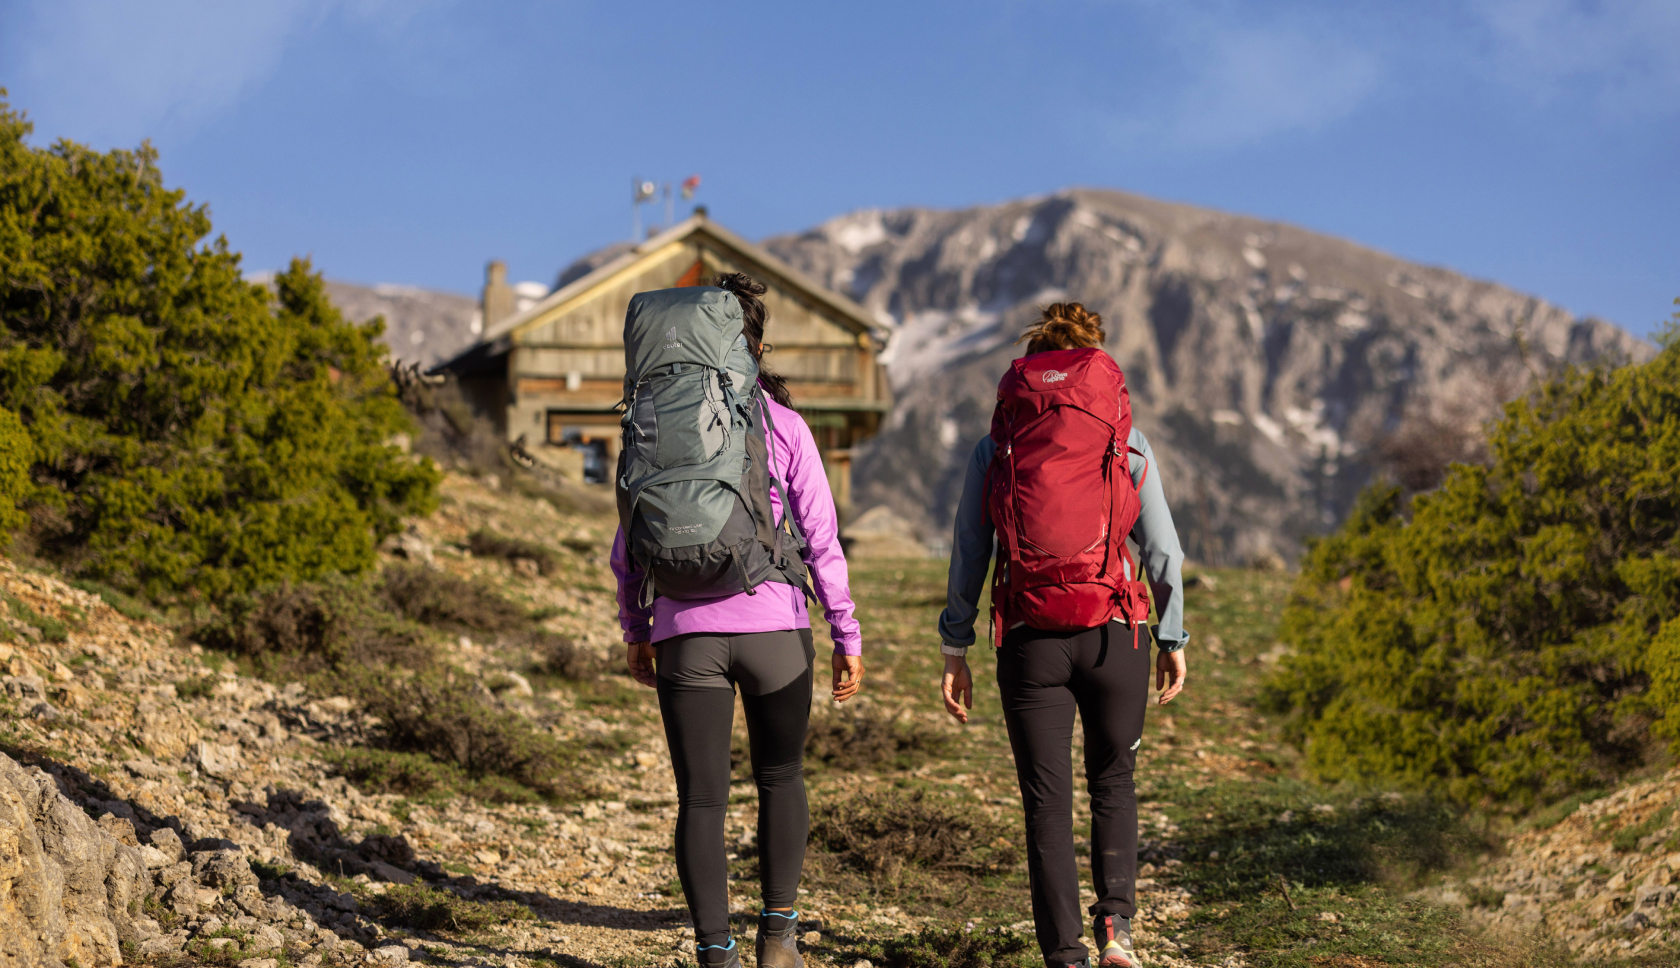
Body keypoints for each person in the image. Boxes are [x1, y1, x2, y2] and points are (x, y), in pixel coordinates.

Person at [612, 272, 864, 968]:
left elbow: (626, 541)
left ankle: (715, 953)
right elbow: (821, 539)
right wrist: (847, 635)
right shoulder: (783, 424)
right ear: (753, 346)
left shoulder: (652, 419)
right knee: (781, 778)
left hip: (683, 637)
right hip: (776, 635)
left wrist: (639, 632)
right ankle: (777, 939)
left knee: (700, 801)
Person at [937, 303, 1188, 968]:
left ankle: (1066, 956)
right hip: (1115, 635)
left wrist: (954, 645)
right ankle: (1118, 934)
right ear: (1096, 361)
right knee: (1114, 780)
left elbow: (970, 549)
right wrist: (1173, 637)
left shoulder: (998, 445)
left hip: (1029, 637)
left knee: (1046, 801)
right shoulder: (1123, 440)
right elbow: (1163, 552)